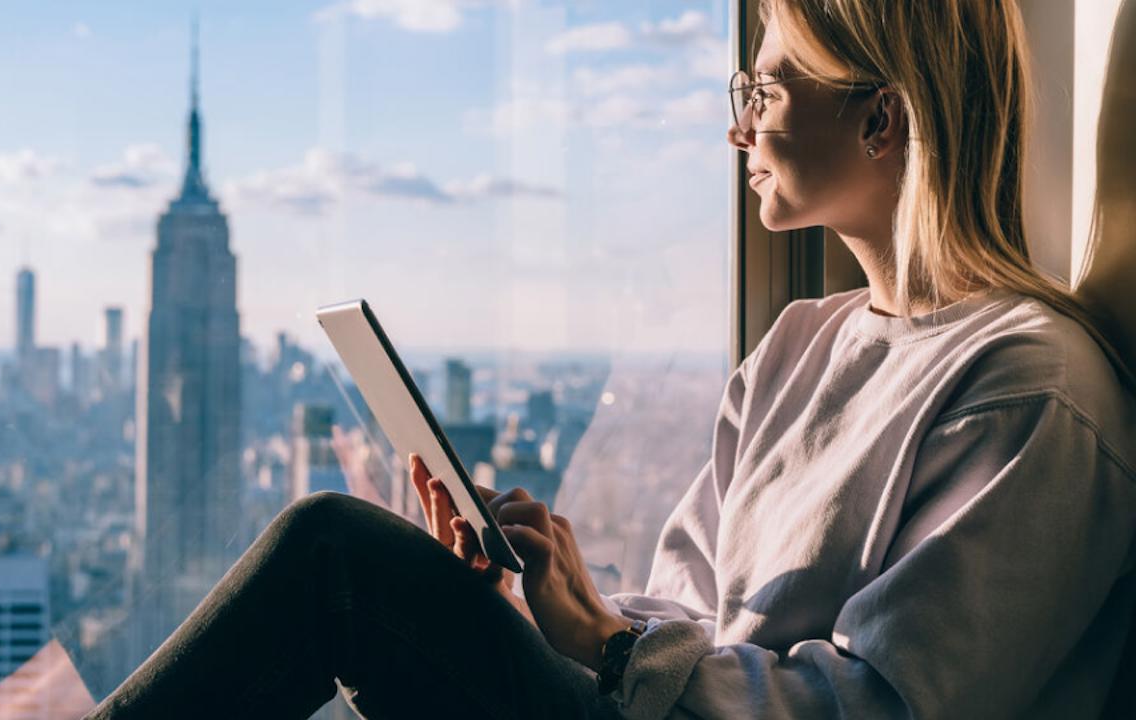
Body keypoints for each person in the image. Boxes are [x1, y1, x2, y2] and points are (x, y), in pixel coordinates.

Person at [69, 0, 1136, 716]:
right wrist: (561, 602)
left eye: (762, 92)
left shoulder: (1031, 391)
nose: (738, 129)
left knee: (335, 559)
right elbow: (692, 613)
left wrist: (612, 651)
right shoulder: (801, 343)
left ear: (883, 119)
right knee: (356, 570)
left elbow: (883, 707)